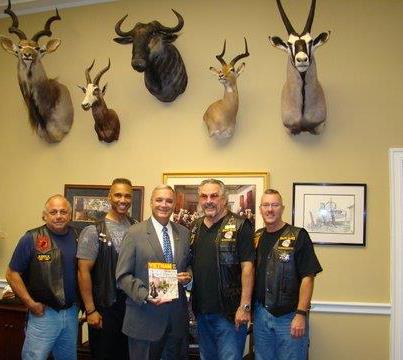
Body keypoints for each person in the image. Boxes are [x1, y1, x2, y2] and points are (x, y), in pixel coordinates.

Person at [116, 185, 191, 360]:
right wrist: (146, 294)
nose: (164, 205)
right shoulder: (134, 233)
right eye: (159, 200)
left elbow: (187, 265)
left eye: (169, 201)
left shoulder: (184, 233)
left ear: (174, 205)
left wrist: (189, 277)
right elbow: (122, 275)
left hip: (176, 321)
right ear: (151, 202)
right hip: (144, 320)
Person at [6, 195, 78, 360]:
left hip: (71, 312)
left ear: (70, 215)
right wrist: (30, 303)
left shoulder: (78, 236)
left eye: (63, 212)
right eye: (53, 212)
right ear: (44, 215)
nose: (58, 216)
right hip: (43, 314)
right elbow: (12, 273)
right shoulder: (30, 238)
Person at [253, 189, 323, 360]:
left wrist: (301, 314)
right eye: (266, 205)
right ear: (261, 209)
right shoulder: (256, 237)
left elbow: (308, 276)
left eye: (275, 205)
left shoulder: (298, 235)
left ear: (282, 208)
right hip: (261, 314)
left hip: (289, 316)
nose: (270, 209)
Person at [190, 179, 255, 360]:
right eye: (204, 196)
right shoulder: (195, 227)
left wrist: (245, 306)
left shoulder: (241, 225)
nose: (209, 200)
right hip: (202, 313)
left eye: (214, 196)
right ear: (200, 200)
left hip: (229, 314)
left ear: (224, 199)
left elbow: (248, 267)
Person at [77, 178, 136, 359]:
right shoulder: (93, 231)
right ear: (109, 197)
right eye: (118, 195)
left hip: (131, 307)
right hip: (104, 307)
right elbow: (83, 272)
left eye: (127, 195)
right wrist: (90, 310)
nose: (122, 200)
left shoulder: (137, 228)